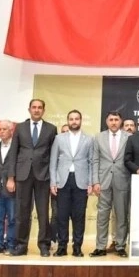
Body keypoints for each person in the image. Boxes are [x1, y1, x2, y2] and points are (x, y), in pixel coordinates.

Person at [6, 99, 57, 257]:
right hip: (23, 175)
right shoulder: (20, 127)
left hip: (43, 175)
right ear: (29, 109)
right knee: (22, 213)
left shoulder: (51, 128)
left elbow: (54, 154)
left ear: (43, 110)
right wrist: (10, 177)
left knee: (43, 213)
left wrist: (53, 178)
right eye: (34, 107)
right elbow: (13, 152)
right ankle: (21, 245)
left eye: (39, 107)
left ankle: (44, 245)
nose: (36, 110)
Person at [50, 110, 94, 257]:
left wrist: (90, 182)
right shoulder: (59, 138)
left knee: (79, 216)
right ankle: (62, 247)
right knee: (61, 216)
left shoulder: (89, 139)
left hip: (81, 182)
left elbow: (91, 162)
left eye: (76, 119)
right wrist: (53, 182)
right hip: (63, 181)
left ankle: (77, 247)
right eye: (71, 119)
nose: (74, 121)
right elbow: (53, 162)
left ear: (81, 121)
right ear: (68, 121)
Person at [91, 111, 130, 257]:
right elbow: (95, 160)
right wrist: (95, 181)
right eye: (111, 120)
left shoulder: (129, 137)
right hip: (103, 181)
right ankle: (100, 247)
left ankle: (120, 246)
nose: (114, 122)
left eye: (116, 120)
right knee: (102, 215)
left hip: (122, 180)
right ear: (106, 122)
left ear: (121, 121)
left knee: (121, 215)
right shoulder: (98, 137)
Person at [0, 120, 16, 255]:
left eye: (4, 129)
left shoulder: (17, 146)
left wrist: (13, 180)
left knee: (12, 219)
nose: (1, 132)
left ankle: (11, 245)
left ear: (11, 130)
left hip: (12, 188)